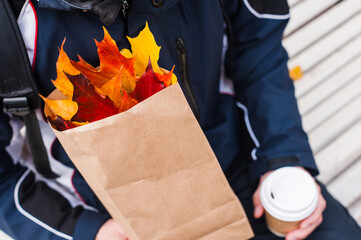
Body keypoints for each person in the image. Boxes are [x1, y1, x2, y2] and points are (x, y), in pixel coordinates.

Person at [0, 0, 360, 240]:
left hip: (237, 162)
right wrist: (81, 230)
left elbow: (257, 43)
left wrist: (283, 155)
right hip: (113, 215)